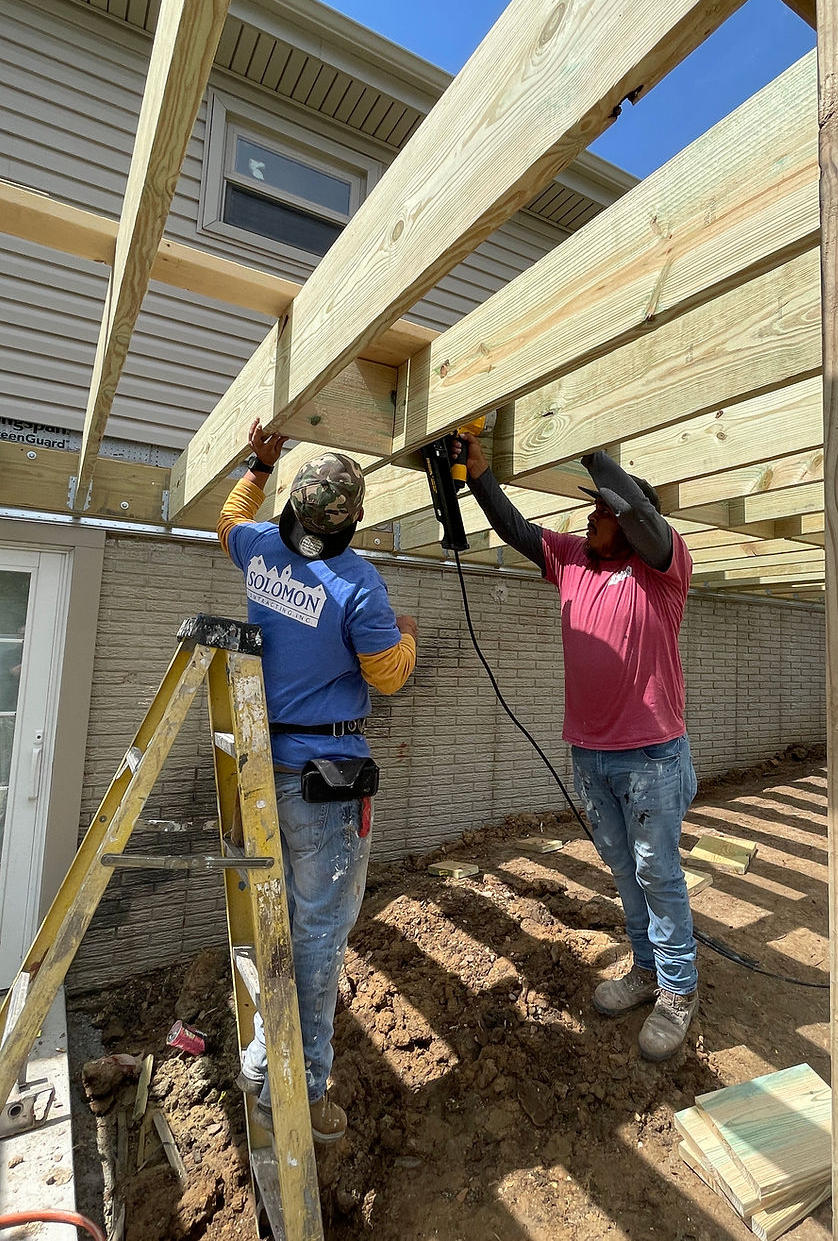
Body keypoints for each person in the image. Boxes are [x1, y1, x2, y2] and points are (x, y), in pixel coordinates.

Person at [455, 433, 698, 1060]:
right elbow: (515, 529)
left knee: (658, 872)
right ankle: (647, 969)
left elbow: (646, 520)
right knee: (623, 868)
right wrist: (481, 476)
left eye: (601, 512)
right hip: (590, 754)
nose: (589, 518)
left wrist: (588, 451)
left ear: (630, 521)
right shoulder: (571, 561)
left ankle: (678, 988)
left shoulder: (663, 570)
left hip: (650, 754)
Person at [218, 418, 418, 1142]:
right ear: (354, 520)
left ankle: (257, 1058)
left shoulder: (261, 547)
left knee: (285, 922)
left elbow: (230, 518)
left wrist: (259, 461)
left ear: (296, 511)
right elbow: (387, 676)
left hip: (263, 768)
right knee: (320, 935)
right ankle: (300, 1088)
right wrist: (408, 635)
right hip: (323, 785)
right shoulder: (360, 585)